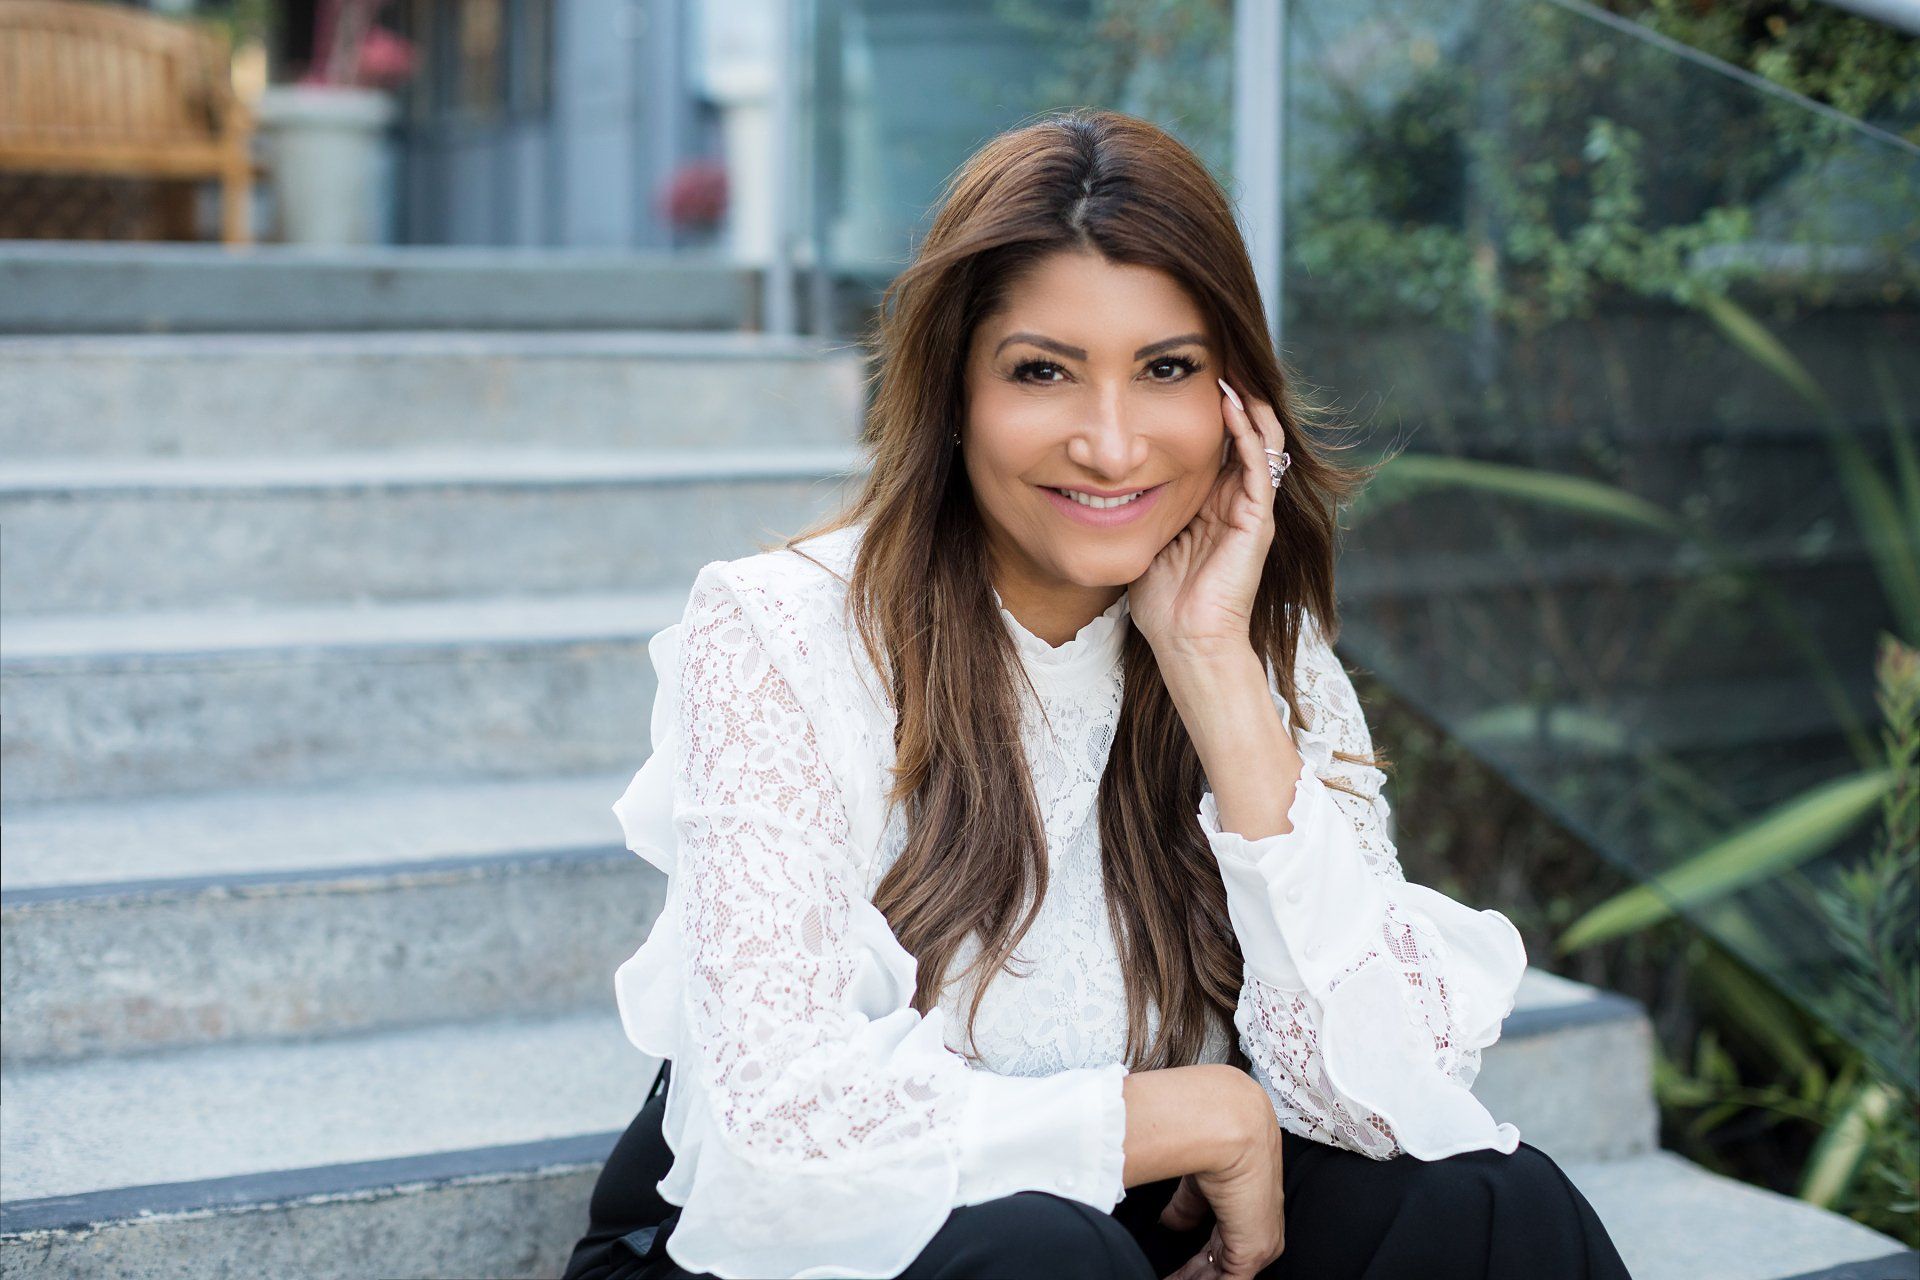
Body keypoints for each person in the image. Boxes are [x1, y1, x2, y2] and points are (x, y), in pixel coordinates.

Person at [562, 107, 1633, 1280]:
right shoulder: (784, 630)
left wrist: (1216, 669)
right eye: (1043, 372)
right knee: (1044, 1254)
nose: (1113, 446)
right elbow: (776, 1132)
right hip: (808, 1241)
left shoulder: (1256, 645)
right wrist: (1194, 1114)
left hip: (1122, 1231)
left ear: (1238, 406)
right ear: (955, 393)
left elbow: (1385, 1103)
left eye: (1166, 369)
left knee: (1486, 1199)